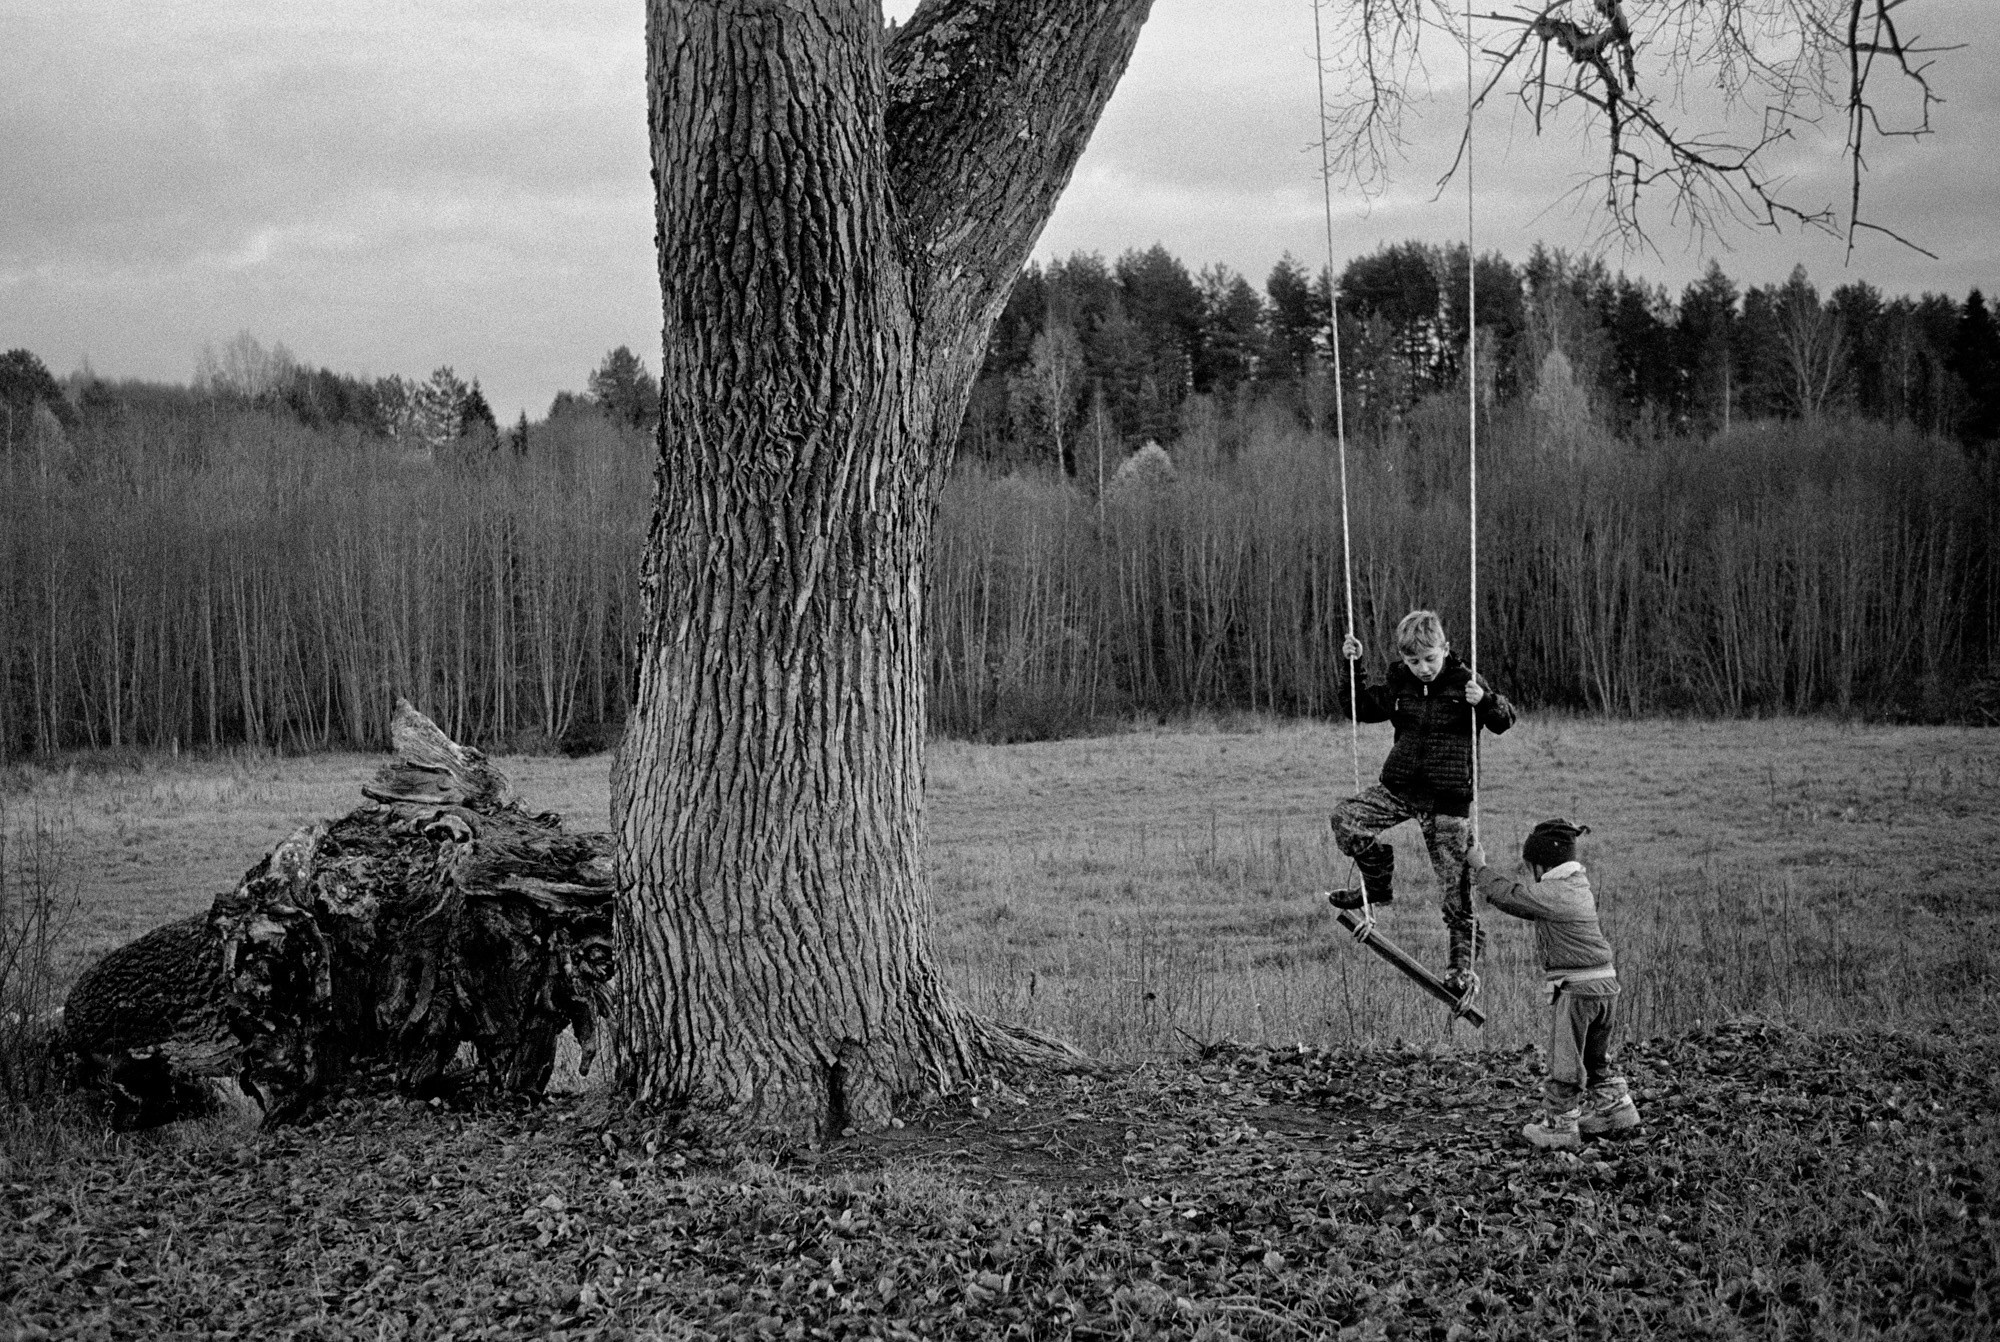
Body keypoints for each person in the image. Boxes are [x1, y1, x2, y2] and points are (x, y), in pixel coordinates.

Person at [1324, 609, 1516, 994]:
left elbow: (1504, 720)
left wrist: (1485, 700)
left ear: (1445, 648)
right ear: (1403, 658)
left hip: (1448, 801)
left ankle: (1460, 971)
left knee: (1456, 894)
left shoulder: (1466, 681)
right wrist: (1353, 666)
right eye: (1414, 661)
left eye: (1430, 658)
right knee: (1345, 818)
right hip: (1401, 789)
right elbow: (1360, 708)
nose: (1423, 668)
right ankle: (1376, 886)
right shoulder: (1401, 683)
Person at [1467, 819, 1643, 1149]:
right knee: (1594, 1057)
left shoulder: (1554, 893)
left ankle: (1560, 1126)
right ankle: (1616, 1109)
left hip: (1578, 990)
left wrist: (1480, 868)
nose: (1528, 872)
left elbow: (1511, 896)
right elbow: (1520, 900)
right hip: (1605, 984)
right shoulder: (1577, 886)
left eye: (1530, 866)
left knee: (1565, 1060)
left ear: (1542, 864)